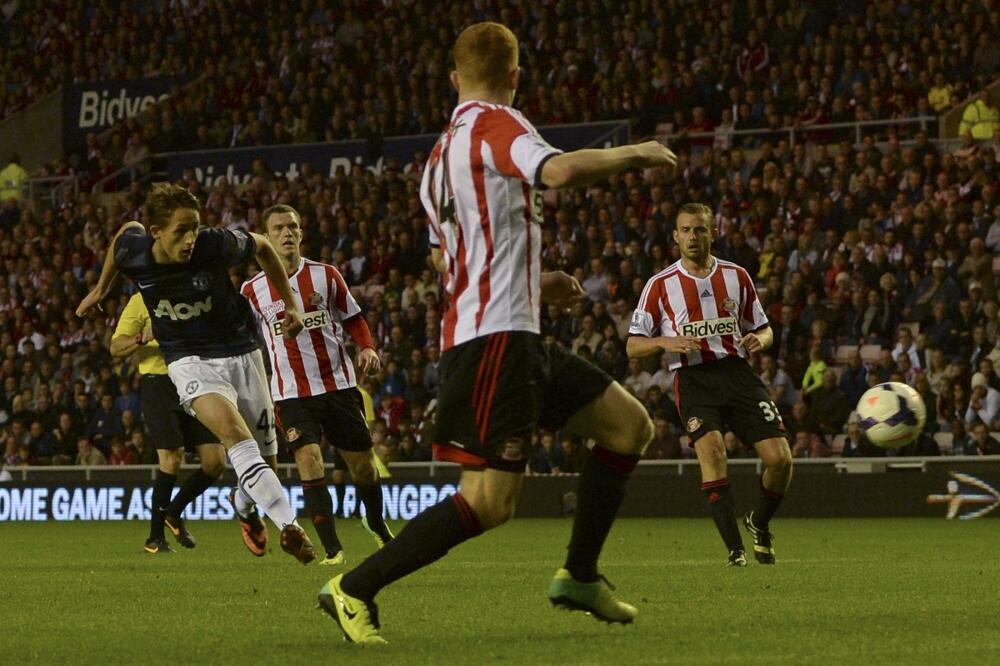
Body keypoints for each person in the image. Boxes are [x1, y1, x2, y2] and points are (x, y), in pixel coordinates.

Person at [318, 21, 675, 644]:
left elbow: (446, 261)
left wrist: (536, 280)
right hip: (495, 340)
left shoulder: (434, 162)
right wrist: (635, 153)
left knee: (628, 426)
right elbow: (556, 172)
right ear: (514, 77)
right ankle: (353, 588)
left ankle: (581, 575)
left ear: (453, 77)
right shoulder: (497, 123)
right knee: (488, 503)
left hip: (514, 328)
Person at [76, 183, 316, 564]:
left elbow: (264, 247)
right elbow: (123, 235)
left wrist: (291, 305)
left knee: (266, 463)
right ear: (156, 233)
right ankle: (290, 525)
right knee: (233, 435)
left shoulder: (215, 244)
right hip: (187, 358)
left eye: (194, 228)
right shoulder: (135, 253)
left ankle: (243, 504)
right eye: (180, 231)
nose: (190, 239)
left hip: (240, 349)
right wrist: (101, 289)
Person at [627, 203, 793, 567]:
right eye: (685, 230)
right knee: (713, 450)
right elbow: (633, 344)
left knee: (780, 460)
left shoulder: (737, 276)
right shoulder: (659, 285)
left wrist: (759, 341)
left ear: (712, 233)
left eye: (699, 230)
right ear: (675, 236)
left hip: (737, 374)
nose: (692, 237)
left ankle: (759, 523)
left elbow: (763, 328)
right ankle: (735, 551)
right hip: (694, 379)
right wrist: (664, 343)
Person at [241, 204, 394, 565]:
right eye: (278, 228)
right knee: (310, 461)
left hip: (338, 385)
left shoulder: (326, 275)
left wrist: (368, 346)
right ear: (266, 237)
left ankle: (374, 521)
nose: (287, 233)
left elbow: (353, 318)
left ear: (301, 233)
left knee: (364, 468)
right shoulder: (252, 290)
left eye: (293, 226)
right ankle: (331, 547)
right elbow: (243, 336)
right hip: (291, 393)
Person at [111, 292, 226, 554]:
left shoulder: (192, 296)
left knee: (215, 461)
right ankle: (154, 538)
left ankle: (173, 512)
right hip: (158, 385)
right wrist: (142, 337)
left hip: (194, 381)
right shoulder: (140, 301)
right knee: (171, 459)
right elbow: (115, 347)